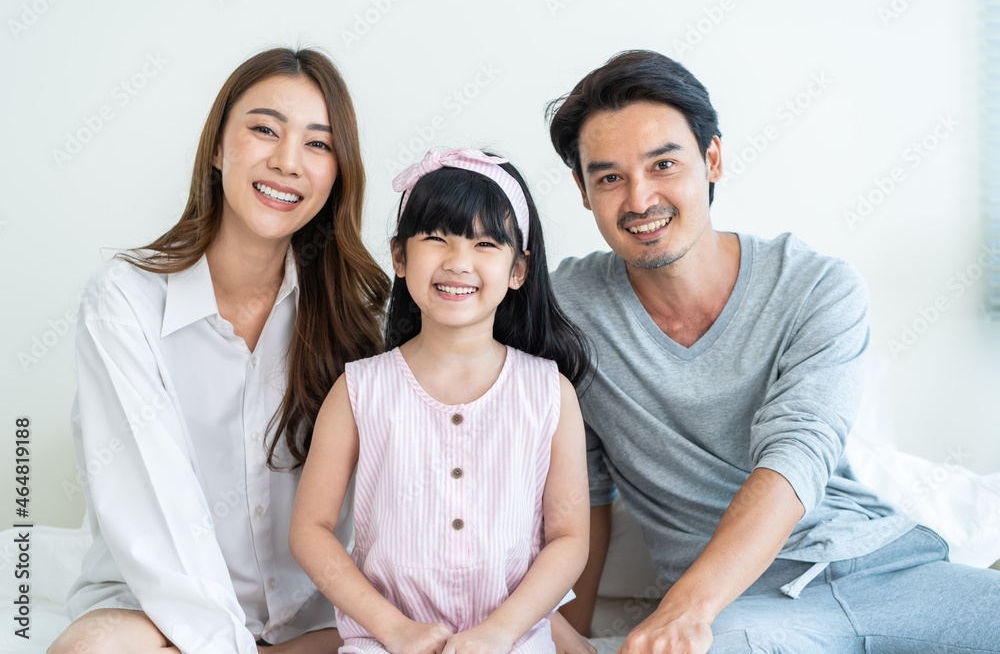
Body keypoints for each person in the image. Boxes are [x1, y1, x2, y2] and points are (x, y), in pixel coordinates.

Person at [544, 50, 1000, 653]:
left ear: (711, 160)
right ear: (581, 189)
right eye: (609, 177)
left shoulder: (816, 287)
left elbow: (797, 454)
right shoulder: (562, 315)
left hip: (886, 566)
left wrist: (685, 609)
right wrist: (563, 641)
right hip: (746, 611)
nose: (639, 199)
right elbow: (586, 492)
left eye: (663, 164)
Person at [49, 48, 390, 654]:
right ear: (216, 149)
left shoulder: (361, 314)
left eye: (318, 144)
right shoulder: (125, 302)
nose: (287, 162)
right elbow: (157, 513)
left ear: (339, 171)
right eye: (264, 129)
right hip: (160, 617)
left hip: (316, 624)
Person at [289, 148, 591, 654]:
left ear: (518, 269)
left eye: (485, 243)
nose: (458, 261)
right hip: (382, 643)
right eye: (435, 237)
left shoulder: (548, 392)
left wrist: (500, 631)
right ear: (400, 256)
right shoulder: (359, 389)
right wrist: (394, 630)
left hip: (513, 641)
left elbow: (569, 539)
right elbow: (310, 531)